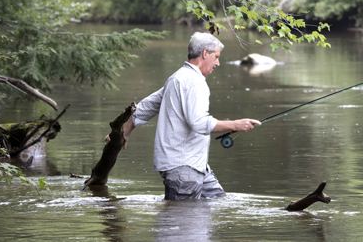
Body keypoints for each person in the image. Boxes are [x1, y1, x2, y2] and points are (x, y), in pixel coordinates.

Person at [107, 32, 261, 200]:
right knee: (182, 221)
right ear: (204, 53)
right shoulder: (194, 82)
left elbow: (147, 106)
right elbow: (199, 123)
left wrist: (126, 132)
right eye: (216, 56)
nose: (218, 63)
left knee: (219, 201)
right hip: (183, 169)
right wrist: (235, 125)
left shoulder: (177, 78)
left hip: (196, 167)